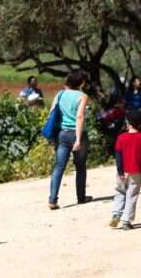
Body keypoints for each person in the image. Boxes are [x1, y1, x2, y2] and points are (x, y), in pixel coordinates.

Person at [48, 69, 91, 210]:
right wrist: (78, 139)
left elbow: (51, 112)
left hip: (63, 134)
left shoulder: (60, 94)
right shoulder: (83, 96)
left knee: (59, 167)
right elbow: (79, 117)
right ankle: (81, 197)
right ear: (82, 82)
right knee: (80, 167)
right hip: (78, 134)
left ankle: (52, 200)